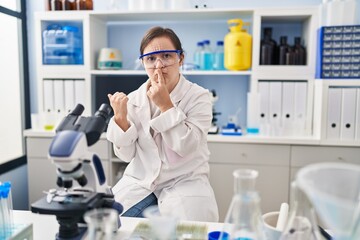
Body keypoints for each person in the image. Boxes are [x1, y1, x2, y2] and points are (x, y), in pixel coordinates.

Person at [106, 26, 219, 222]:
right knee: (105, 224)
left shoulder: (198, 97)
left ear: (180, 58)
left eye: (166, 56)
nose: (159, 66)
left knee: (188, 232)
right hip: (140, 182)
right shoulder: (134, 99)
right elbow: (125, 155)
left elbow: (186, 146)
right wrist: (121, 120)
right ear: (142, 63)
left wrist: (165, 105)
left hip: (184, 182)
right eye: (151, 59)